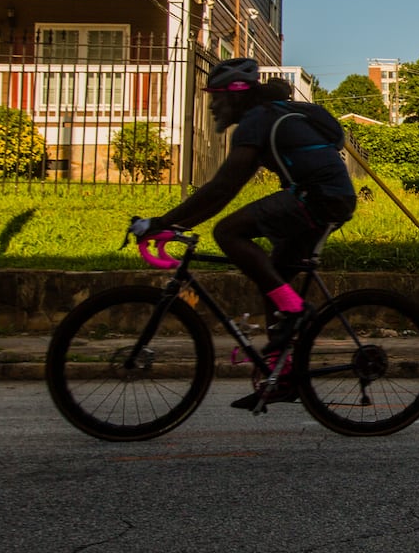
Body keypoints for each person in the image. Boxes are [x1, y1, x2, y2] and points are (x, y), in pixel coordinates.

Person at [131, 57, 356, 408]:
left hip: (319, 199)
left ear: (235, 94)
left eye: (215, 98)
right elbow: (221, 191)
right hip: (326, 198)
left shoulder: (256, 121)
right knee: (274, 278)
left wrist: (162, 224)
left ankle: (295, 315)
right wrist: (174, 223)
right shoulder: (261, 118)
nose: (211, 106)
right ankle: (281, 376)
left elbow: (222, 189)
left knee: (228, 232)